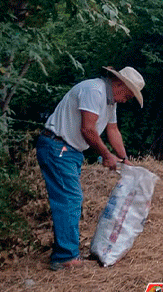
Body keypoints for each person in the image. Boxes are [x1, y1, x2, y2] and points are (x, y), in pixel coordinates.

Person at [36, 66, 145, 270]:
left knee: (69, 198)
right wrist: (106, 155)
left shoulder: (110, 101)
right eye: (128, 95)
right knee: (70, 198)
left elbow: (112, 130)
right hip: (57, 147)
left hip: (70, 151)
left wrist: (123, 158)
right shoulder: (94, 90)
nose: (126, 100)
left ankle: (66, 252)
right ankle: (64, 257)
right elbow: (87, 128)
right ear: (119, 84)